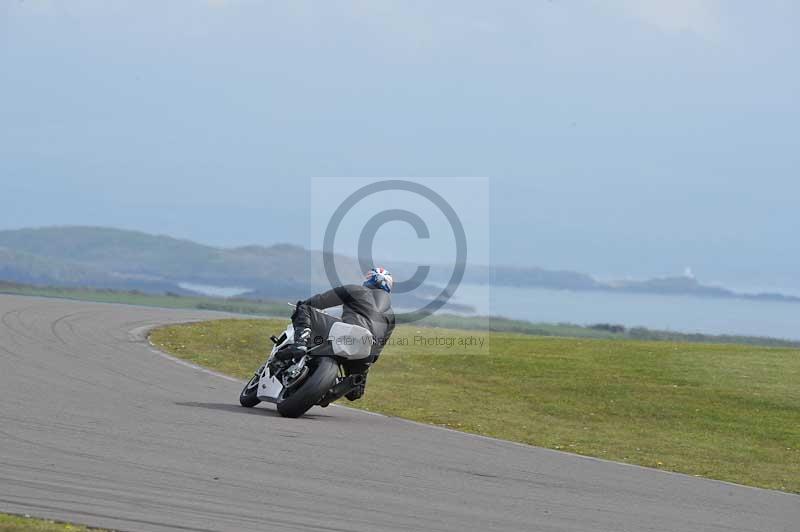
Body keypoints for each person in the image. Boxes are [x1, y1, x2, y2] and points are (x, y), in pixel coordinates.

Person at [274, 267, 395, 400]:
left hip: (349, 333)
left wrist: (302, 305)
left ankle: (299, 345)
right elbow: (378, 351)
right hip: (366, 351)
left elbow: (319, 301)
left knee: (304, 308)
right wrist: (365, 366)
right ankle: (351, 383)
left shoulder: (355, 290)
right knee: (354, 393)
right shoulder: (391, 316)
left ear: (370, 279)